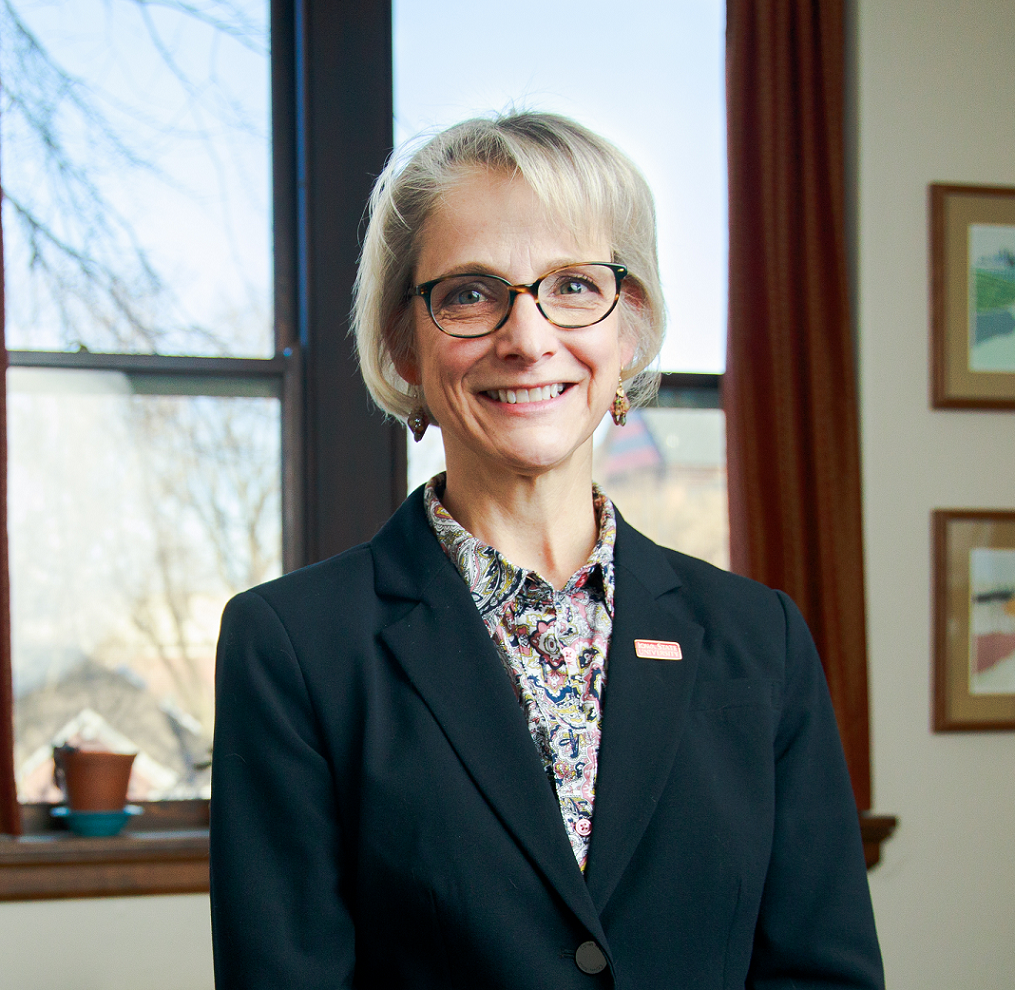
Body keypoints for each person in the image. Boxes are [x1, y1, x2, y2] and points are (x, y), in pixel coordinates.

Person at [210, 112, 884, 990]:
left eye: (572, 285)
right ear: (402, 345)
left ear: (628, 328)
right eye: (469, 293)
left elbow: (822, 976)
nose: (527, 338)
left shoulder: (760, 639)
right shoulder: (292, 646)